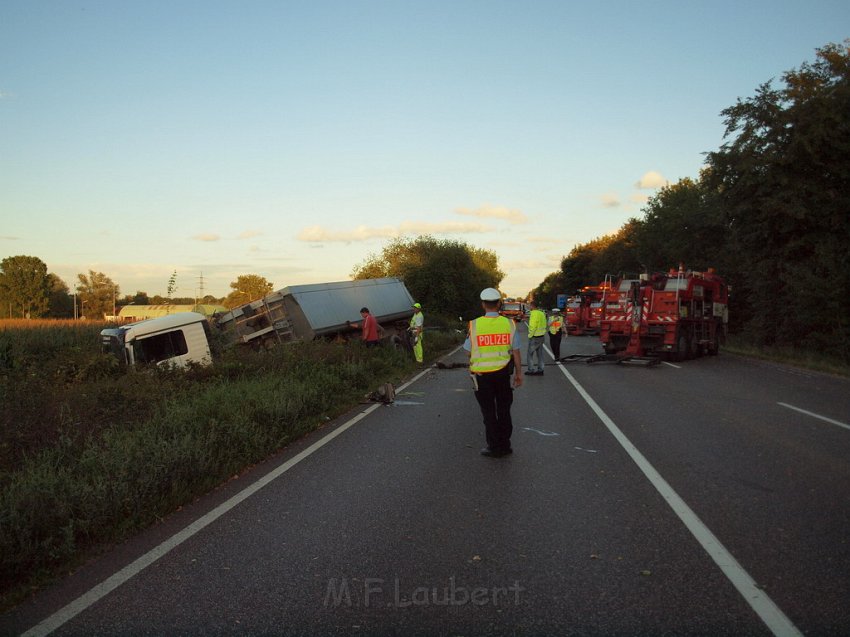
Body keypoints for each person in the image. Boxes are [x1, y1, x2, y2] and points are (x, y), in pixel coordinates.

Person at [464, 288, 523, 457]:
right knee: (504, 410)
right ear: (499, 304)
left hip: (482, 377)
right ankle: (505, 445)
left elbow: (468, 351)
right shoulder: (509, 324)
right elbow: (516, 352)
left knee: (488, 412)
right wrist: (519, 374)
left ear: (483, 305)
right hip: (503, 374)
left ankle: (493, 446)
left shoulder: (474, 324)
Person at [525, 299, 547, 375]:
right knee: (540, 354)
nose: (529, 306)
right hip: (541, 336)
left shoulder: (533, 314)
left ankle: (531, 369)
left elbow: (532, 326)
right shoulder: (541, 313)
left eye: (529, 305)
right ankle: (541, 369)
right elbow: (544, 323)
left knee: (529, 354)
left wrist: (530, 335)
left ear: (532, 306)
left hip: (535, 337)